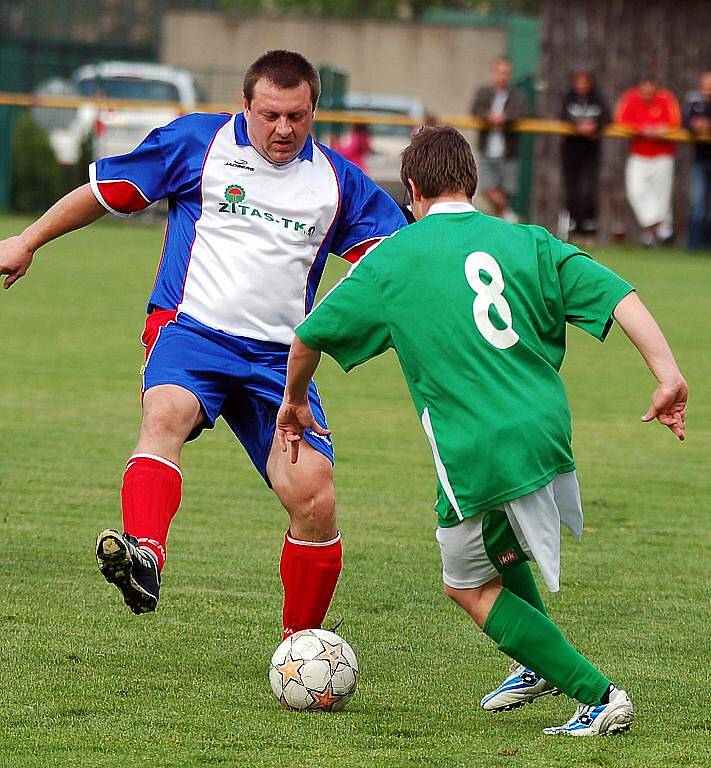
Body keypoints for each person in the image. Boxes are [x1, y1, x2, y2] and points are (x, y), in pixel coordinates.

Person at [276, 126, 687, 735]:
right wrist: (668, 374)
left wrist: (291, 404)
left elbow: (308, 334)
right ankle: (535, 663)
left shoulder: (395, 255)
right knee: (498, 541)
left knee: (466, 585)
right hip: (544, 429)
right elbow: (619, 295)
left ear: (411, 188)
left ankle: (598, 695)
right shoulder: (530, 242)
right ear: (472, 183)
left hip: (476, 446)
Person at [0, 50, 406, 636]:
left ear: (315, 111)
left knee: (315, 497)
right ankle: (144, 554)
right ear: (247, 105)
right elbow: (105, 191)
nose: (284, 129)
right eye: (270, 115)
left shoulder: (340, 184)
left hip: (279, 360)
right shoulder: (198, 143)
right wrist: (29, 240)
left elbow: (401, 267)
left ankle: (299, 647)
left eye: (297, 116)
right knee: (164, 412)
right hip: (193, 332)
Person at [616, 79, 681, 247]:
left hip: (662, 154)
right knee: (635, 191)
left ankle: (650, 235)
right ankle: (660, 226)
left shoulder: (666, 98)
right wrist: (641, 128)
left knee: (661, 195)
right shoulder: (630, 98)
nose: (648, 94)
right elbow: (620, 120)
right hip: (639, 153)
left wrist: (660, 129)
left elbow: (675, 122)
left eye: (651, 90)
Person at [470, 58, 528, 222]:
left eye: (506, 74)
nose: (502, 77)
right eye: (500, 73)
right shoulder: (484, 93)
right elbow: (475, 110)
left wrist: (505, 119)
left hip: (508, 151)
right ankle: (507, 216)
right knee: (487, 187)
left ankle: (500, 222)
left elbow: (521, 114)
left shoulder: (517, 96)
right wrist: (489, 117)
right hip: (487, 148)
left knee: (507, 190)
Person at [559, 70, 610, 236]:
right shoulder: (568, 98)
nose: (582, 86)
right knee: (572, 189)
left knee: (588, 189)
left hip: (590, 151)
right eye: (579, 82)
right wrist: (577, 126)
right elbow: (561, 116)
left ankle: (589, 225)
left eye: (585, 82)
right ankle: (573, 224)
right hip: (571, 151)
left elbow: (607, 118)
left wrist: (595, 126)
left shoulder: (597, 99)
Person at [682, 72, 711, 251]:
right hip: (701, 159)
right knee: (697, 204)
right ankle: (692, 246)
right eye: (706, 88)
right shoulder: (694, 102)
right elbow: (685, 121)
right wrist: (695, 125)